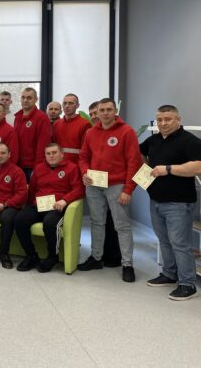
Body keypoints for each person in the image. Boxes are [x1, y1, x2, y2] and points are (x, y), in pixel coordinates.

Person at [140, 105, 201, 300]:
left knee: (180, 244)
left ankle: (187, 284)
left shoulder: (190, 141)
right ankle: (169, 273)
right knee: (164, 240)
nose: (163, 123)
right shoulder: (154, 140)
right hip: (156, 200)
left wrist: (168, 169)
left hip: (179, 203)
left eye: (168, 119)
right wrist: (145, 168)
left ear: (178, 120)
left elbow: (198, 166)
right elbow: (139, 152)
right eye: (160, 120)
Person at [78, 98, 141, 283]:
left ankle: (127, 264)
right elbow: (83, 157)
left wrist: (128, 189)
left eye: (109, 109)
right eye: (102, 110)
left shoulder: (127, 132)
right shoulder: (91, 133)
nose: (105, 113)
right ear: (97, 112)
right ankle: (96, 258)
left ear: (115, 111)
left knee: (122, 226)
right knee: (97, 222)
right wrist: (84, 173)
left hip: (116, 186)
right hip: (94, 184)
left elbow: (134, 162)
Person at [14, 143, 84, 273]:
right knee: (19, 219)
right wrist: (29, 205)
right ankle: (31, 255)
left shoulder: (72, 168)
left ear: (62, 154)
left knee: (50, 223)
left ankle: (53, 257)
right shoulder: (39, 168)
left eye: (54, 153)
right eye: (48, 153)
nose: (51, 156)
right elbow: (32, 189)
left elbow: (79, 189)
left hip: (57, 207)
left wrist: (65, 200)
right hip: (39, 205)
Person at [13, 87, 52, 181]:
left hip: (32, 167)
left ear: (36, 99)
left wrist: (38, 168)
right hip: (18, 165)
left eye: (29, 98)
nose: (25, 100)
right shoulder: (17, 117)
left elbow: (43, 145)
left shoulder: (42, 118)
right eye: (23, 97)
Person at [52, 93, 91, 164]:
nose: (67, 106)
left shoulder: (85, 124)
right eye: (65, 103)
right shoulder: (56, 124)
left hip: (76, 166)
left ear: (77, 105)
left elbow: (85, 150)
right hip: (58, 164)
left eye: (71, 103)